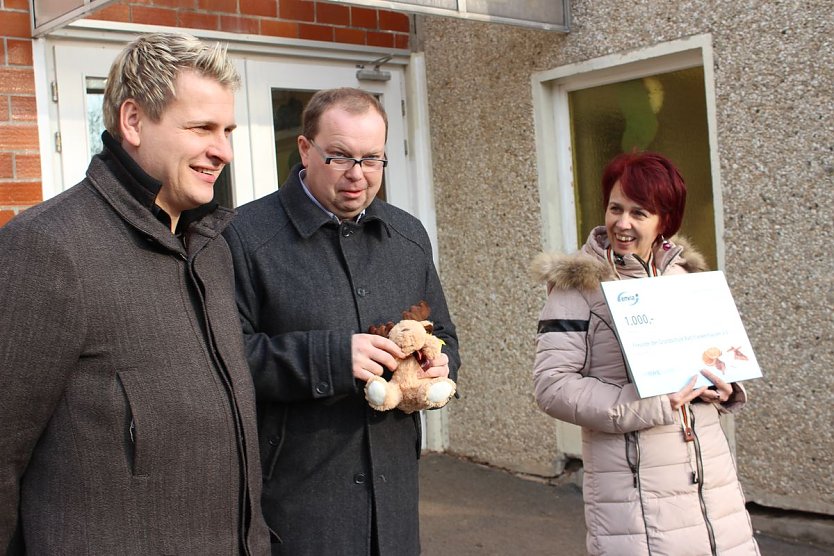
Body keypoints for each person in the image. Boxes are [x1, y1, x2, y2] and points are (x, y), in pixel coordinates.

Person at [0, 33, 270, 554]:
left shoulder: (211, 247)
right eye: (202, 128)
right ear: (133, 121)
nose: (224, 151)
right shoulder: (47, 247)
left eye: (228, 131)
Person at [222, 87, 461, 556]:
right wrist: (331, 359)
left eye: (372, 159)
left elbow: (444, 334)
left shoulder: (408, 234)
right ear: (304, 149)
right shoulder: (244, 237)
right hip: (297, 502)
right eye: (340, 157)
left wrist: (440, 365)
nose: (357, 175)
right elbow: (224, 358)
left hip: (394, 497)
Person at [531, 151, 759, 555]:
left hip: (714, 489)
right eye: (615, 208)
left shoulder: (686, 275)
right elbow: (552, 386)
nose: (622, 223)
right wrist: (651, 403)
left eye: (639, 212)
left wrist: (723, 387)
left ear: (665, 220)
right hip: (636, 500)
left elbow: (711, 359)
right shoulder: (578, 286)